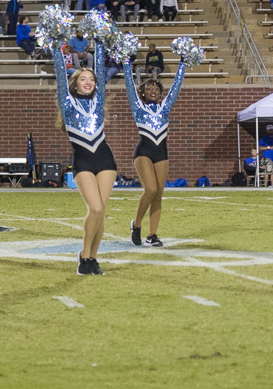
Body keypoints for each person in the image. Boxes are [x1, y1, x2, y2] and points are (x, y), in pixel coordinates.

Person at [53, 38, 114, 275]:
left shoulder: (98, 102)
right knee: (95, 208)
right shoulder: (67, 103)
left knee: (102, 211)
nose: (88, 81)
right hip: (83, 160)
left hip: (105, 159)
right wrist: (57, 44)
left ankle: (93, 259)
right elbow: (59, 72)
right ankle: (84, 255)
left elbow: (100, 65)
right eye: (83, 78)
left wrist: (99, 40)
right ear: (75, 84)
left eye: (91, 79)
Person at [123, 53, 186, 249]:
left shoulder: (165, 107)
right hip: (143, 151)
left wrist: (183, 62)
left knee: (158, 193)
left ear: (160, 93)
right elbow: (129, 86)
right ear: (143, 92)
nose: (152, 90)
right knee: (150, 189)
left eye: (156, 88)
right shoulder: (138, 107)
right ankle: (137, 225)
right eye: (148, 88)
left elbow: (176, 86)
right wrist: (126, 63)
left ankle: (152, 234)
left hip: (162, 152)